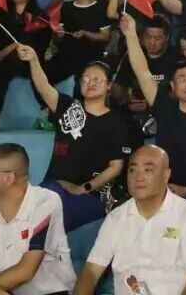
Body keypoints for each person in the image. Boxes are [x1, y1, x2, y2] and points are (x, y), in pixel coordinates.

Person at [17, 48, 129, 231]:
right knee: (39, 208)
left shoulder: (116, 122)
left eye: (97, 79)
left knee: (49, 219)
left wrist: (83, 188)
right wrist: (34, 60)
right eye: (86, 79)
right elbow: (43, 86)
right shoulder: (68, 107)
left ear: (109, 85)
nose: (90, 83)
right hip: (54, 187)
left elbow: (115, 167)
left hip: (90, 195)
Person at [75, 145, 186, 295]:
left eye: (148, 170)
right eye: (132, 170)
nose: (138, 177)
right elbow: (91, 272)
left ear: (166, 176)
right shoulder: (116, 218)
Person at [121, 15, 186, 201]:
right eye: (182, 79)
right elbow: (143, 73)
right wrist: (131, 35)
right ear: (173, 86)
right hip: (162, 191)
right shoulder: (165, 107)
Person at [0, 143, 77, 295]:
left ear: (8, 178)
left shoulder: (45, 202)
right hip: (1, 290)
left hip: (50, 292)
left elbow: (26, 270)